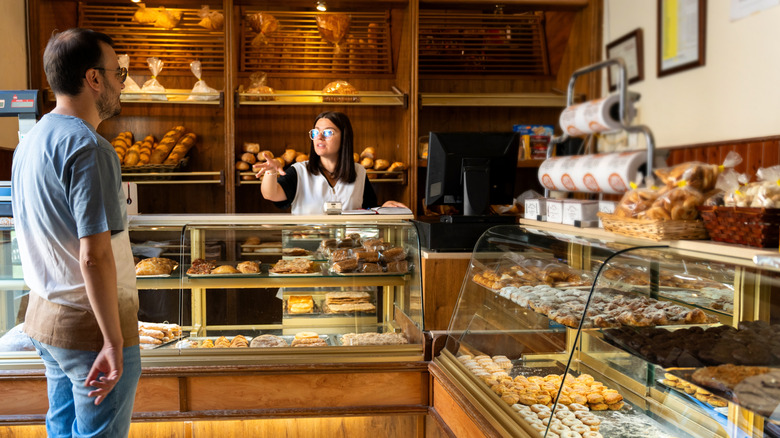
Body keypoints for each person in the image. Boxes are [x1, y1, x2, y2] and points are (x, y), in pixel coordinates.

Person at [11, 28, 141, 437]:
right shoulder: (90, 147)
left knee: (62, 430)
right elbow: (94, 255)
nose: (122, 82)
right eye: (118, 71)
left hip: (45, 318)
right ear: (94, 78)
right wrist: (112, 342)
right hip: (88, 327)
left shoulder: (30, 143)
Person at [253, 111, 408, 214]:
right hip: (305, 253)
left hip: (346, 254)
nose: (319, 137)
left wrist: (383, 208)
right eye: (315, 132)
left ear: (344, 137)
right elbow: (270, 194)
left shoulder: (359, 171)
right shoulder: (299, 171)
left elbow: (367, 209)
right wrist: (271, 172)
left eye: (328, 132)